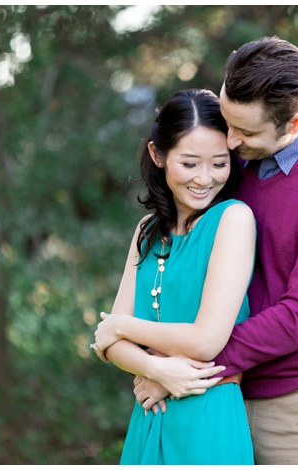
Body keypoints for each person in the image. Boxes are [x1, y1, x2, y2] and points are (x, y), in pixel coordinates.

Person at [98, 36, 298, 465]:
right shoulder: (232, 165)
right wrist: (168, 369)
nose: (228, 140)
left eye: (243, 131)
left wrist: (180, 371)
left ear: (295, 125)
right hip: (217, 399)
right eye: (227, 120)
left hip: (297, 407)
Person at [92, 88, 257, 465]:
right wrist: (156, 369)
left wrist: (121, 327)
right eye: (189, 163)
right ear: (158, 155)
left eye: (219, 163)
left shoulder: (233, 219)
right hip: (149, 413)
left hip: (207, 419)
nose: (205, 178)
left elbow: (205, 340)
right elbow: (111, 345)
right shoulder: (146, 231)